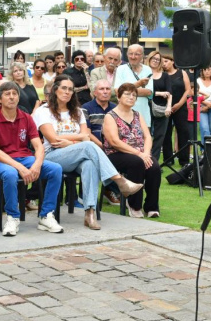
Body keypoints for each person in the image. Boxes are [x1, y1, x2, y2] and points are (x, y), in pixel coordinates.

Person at [33, 76, 143, 230]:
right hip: (52, 155)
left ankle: (90, 213)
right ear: (55, 90)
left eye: (70, 89)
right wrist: (78, 139)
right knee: (88, 147)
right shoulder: (43, 111)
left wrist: (71, 142)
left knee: (90, 164)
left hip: (78, 153)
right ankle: (119, 181)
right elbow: (53, 139)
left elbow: (86, 136)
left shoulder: (77, 111)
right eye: (64, 88)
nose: (67, 92)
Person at [0, 81, 64, 237]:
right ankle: (13, 217)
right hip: (1, 161)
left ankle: (46, 215)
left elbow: (39, 146)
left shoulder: (26, 118)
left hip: (25, 157)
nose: (11, 97)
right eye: (7, 94)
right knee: (10, 173)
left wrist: (37, 165)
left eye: (15, 94)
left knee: (55, 169)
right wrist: (20, 168)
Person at [103, 82, 161, 218]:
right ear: (118, 97)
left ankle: (151, 207)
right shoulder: (110, 116)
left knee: (154, 167)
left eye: (134, 95)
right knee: (136, 163)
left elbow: (147, 136)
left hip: (140, 153)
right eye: (127, 94)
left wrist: (146, 153)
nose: (131, 97)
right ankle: (134, 205)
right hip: (116, 153)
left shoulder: (137, 115)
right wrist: (139, 154)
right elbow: (114, 142)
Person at [112, 44, 153, 127]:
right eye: (130, 54)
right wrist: (138, 84)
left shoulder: (148, 69)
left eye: (137, 54)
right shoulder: (121, 69)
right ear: (127, 55)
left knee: (145, 135)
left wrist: (126, 92)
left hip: (143, 115)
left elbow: (149, 92)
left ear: (142, 55)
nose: (133, 57)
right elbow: (118, 91)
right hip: (124, 115)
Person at [146, 51, 172, 162]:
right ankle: (145, 159)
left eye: (158, 59)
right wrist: (159, 93)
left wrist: (169, 107)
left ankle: (154, 162)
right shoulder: (145, 73)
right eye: (153, 58)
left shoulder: (165, 75)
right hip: (146, 107)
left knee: (159, 136)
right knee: (146, 134)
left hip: (161, 109)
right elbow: (144, 91)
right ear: (149, 59)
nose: (155, 61)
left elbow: (169, 93)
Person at [197, 66, 211, 138]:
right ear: (202, 71)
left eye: (209, 70)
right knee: (204, 128)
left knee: (210, 129)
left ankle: (208, 145)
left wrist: (209, 105)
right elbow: (196, 94)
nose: (207, 71)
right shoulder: (198, 81)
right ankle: (204, 145)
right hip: (201, 107)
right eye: (205, 70)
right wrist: (206, 104)